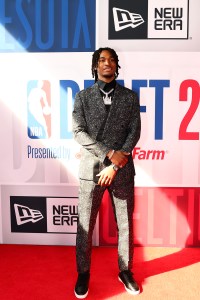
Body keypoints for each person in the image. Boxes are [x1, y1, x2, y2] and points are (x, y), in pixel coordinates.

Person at [72, 47, 141, 298]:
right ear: (95, 66)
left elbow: (134, 133)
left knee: (125, 225)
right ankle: (83, 273)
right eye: (102, 60)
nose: (107, 64)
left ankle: (125, 271)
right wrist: (108, 154)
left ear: (117, 66)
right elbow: (78, 132)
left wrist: (115, 165)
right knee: (84, 226)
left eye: (112, 60)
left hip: (121, 171)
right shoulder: (82, 97)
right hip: (91, 170)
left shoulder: (130, 98)